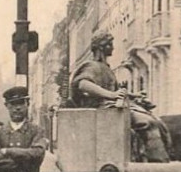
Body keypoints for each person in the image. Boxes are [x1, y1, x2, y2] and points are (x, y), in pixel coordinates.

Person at [70, 31, 171, 162]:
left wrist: (135, 96)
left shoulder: (105, 68)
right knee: (147, 123)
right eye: (110, 44)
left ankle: (157, 158)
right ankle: (157, 163)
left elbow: (117, 91)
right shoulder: (92, 66)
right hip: (103, 108)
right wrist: (111, 95)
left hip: (113, 105)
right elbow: (84, 84)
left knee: (157, 121)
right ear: (102, 47)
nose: (113, 47)